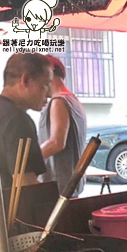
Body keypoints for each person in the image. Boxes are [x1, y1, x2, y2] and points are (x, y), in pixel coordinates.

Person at [0, 53, 51, 206]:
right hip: (9, 221)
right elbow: (26, 186)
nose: (50, 93)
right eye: (45, 85)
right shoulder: (17, 120)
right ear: (25, 80)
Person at [39, 55, 87, 198]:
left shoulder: (59, 101)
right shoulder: (73, 100)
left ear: (50, 70)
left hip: (58, 189)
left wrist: (29, 161)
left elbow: (56, 143)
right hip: (69, 187)